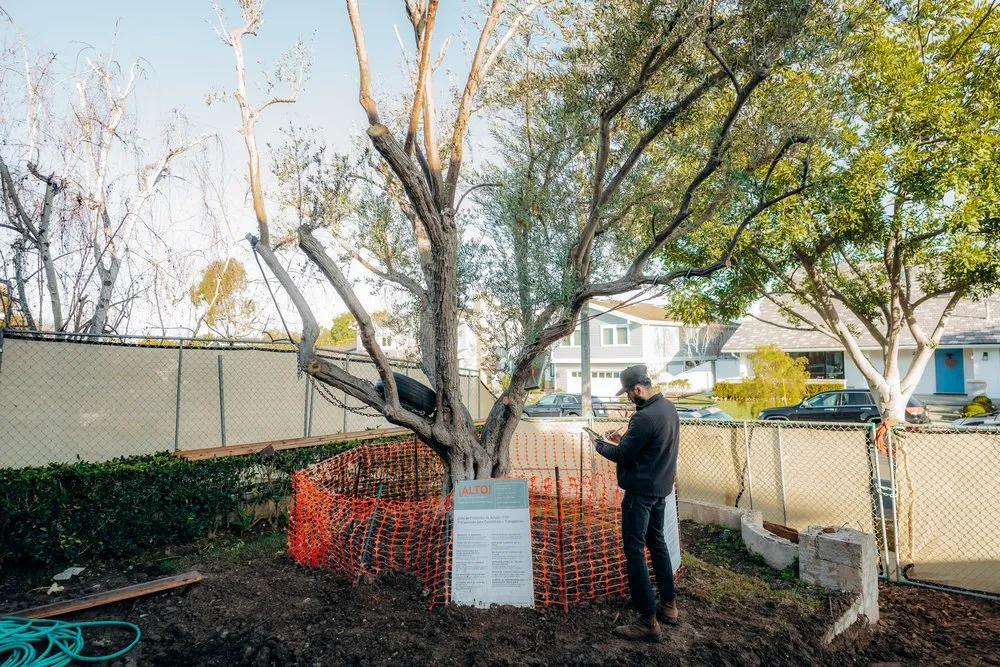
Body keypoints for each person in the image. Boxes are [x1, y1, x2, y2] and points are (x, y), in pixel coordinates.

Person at [591, 364, 680, 642]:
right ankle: (669, 605)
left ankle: (647, 620)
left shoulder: (643, 418)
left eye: (629, 393)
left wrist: (599, 444)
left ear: (638, 389)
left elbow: (623, 455)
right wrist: (622, 440)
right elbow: (646, 447)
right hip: (660, 489)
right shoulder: (668, 409)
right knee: (657, 543)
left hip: (640, 493)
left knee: (634, 551)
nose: (628, 398)